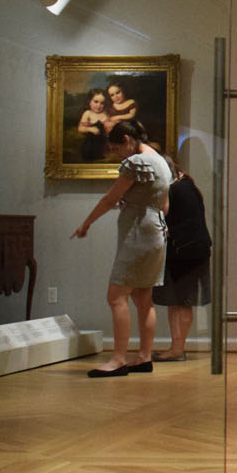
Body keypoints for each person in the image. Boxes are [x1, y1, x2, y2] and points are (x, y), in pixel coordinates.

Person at [72, 118, 171, 377]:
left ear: (126, 140)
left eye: (117, 149)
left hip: (138, 232)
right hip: (155, 230)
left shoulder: (137, 162)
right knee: (143, 297)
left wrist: (86, 223)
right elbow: (164, 204)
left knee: (116, 296)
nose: (117, 155)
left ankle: (118, 360)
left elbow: (109, 199)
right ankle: (144, 357)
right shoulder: (161, 161)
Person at [148, 142, 211, 363]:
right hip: (189, 249)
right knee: (178, 301)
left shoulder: (177, 188)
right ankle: (176, 348)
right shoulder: (185, 184)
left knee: (181, 300)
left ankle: (177, 349)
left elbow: (169, 216)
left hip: (186, 251)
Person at [76, 90, 109, 162]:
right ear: (89, 101)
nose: (98, 106)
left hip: (102, 145)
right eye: (96, 102)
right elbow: (80, 128)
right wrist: (90, 129)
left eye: (102, 103)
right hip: (90, 146)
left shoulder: (105, 114)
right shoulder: (88, 113)